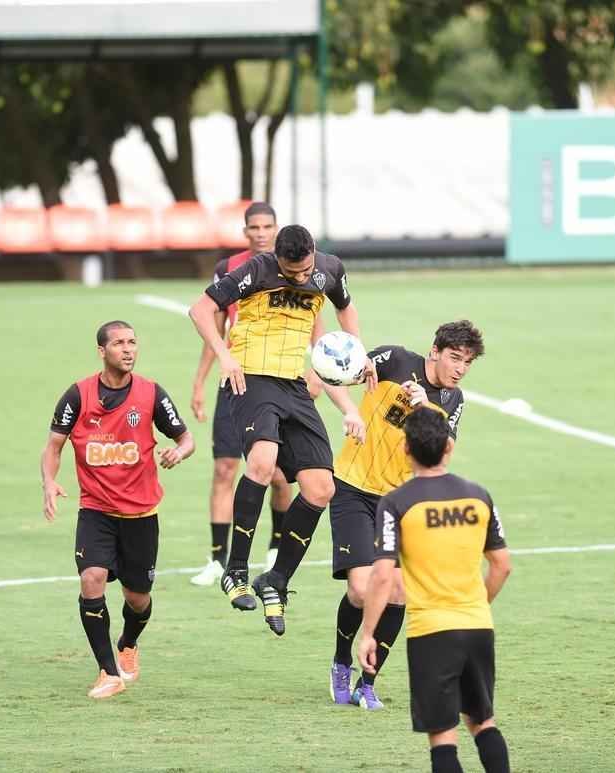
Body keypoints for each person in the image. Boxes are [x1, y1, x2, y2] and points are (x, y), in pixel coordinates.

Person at [188, 223, 372, 636]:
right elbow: (200, 310)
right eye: (292, 272)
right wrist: (224, 357)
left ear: (313, 254)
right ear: (279, 259)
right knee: (262, 460)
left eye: (305, 270)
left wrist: (358, 351)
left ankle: (276, 579)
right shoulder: (257, 270)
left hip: (293, 384)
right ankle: (236, 569)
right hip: (251, 377)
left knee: (321, 487)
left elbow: (345, 308)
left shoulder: (329, 269)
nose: (301, 277)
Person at [328, 321, 484, 711]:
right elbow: (336, 375)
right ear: (435, 351)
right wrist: (350, 410)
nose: (460, 368)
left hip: (398, 502)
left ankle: (368, 683)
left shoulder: (452, 399)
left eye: (467, 362)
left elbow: (445, 450)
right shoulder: (395, 360)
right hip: (353, 486)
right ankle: (342, 661)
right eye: (454, 358)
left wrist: (424, 408)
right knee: (361, 590)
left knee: (398, 592)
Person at [40, 320, 195, 699]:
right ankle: (108, 672)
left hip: (141, 515)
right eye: (119, 343)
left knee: (137, 599)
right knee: (91, 578)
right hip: (96, 511)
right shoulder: (77, 395)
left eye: (132, 342)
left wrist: (178, 452)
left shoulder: (151, 393)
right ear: (102, 351)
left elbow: (186, 438)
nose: (128, 349)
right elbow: (54, 446)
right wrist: (49, 481)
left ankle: (128, 643)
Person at [358, 407, 511, 773]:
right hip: (477, 625)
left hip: (431, 633)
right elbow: (502, 565)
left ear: (405, 449)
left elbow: (382, 576)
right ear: (448, 448)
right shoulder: (479, 496)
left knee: (443, 736)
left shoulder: (396, 503)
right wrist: (477, 605)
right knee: (482, 721)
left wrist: (368, 634)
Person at [189, 202, 295, 587]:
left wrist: (314, 374)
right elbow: (215, 330)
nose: (261, 233)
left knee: (279, 475)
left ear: (276, 229)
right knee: (224, 469)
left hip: (278, 380)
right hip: (234, 380)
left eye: (268, 226)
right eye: (255, 227)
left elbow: (314, 319)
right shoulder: (229, 269)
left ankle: (276, 547)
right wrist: (200, 382)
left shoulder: (294, 266)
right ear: (245, 231)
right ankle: (218, 560)